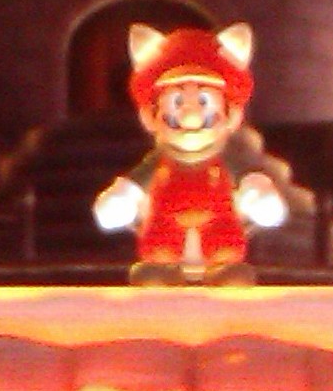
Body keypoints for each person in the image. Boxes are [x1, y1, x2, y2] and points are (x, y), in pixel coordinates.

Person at [91, 22, 287, 285]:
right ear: (150, 116)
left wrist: (257, 194)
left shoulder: (228, 162)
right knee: (158, 256)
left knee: (227, 256)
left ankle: (225, 273)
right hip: (163, 232)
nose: (190, 117)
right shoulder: (156, 165)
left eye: (204, 101)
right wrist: (122, 199)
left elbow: (249, 180)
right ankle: (160, 275)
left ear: (231, 116)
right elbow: (134, 185)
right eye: (177, 102)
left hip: (220, 229)